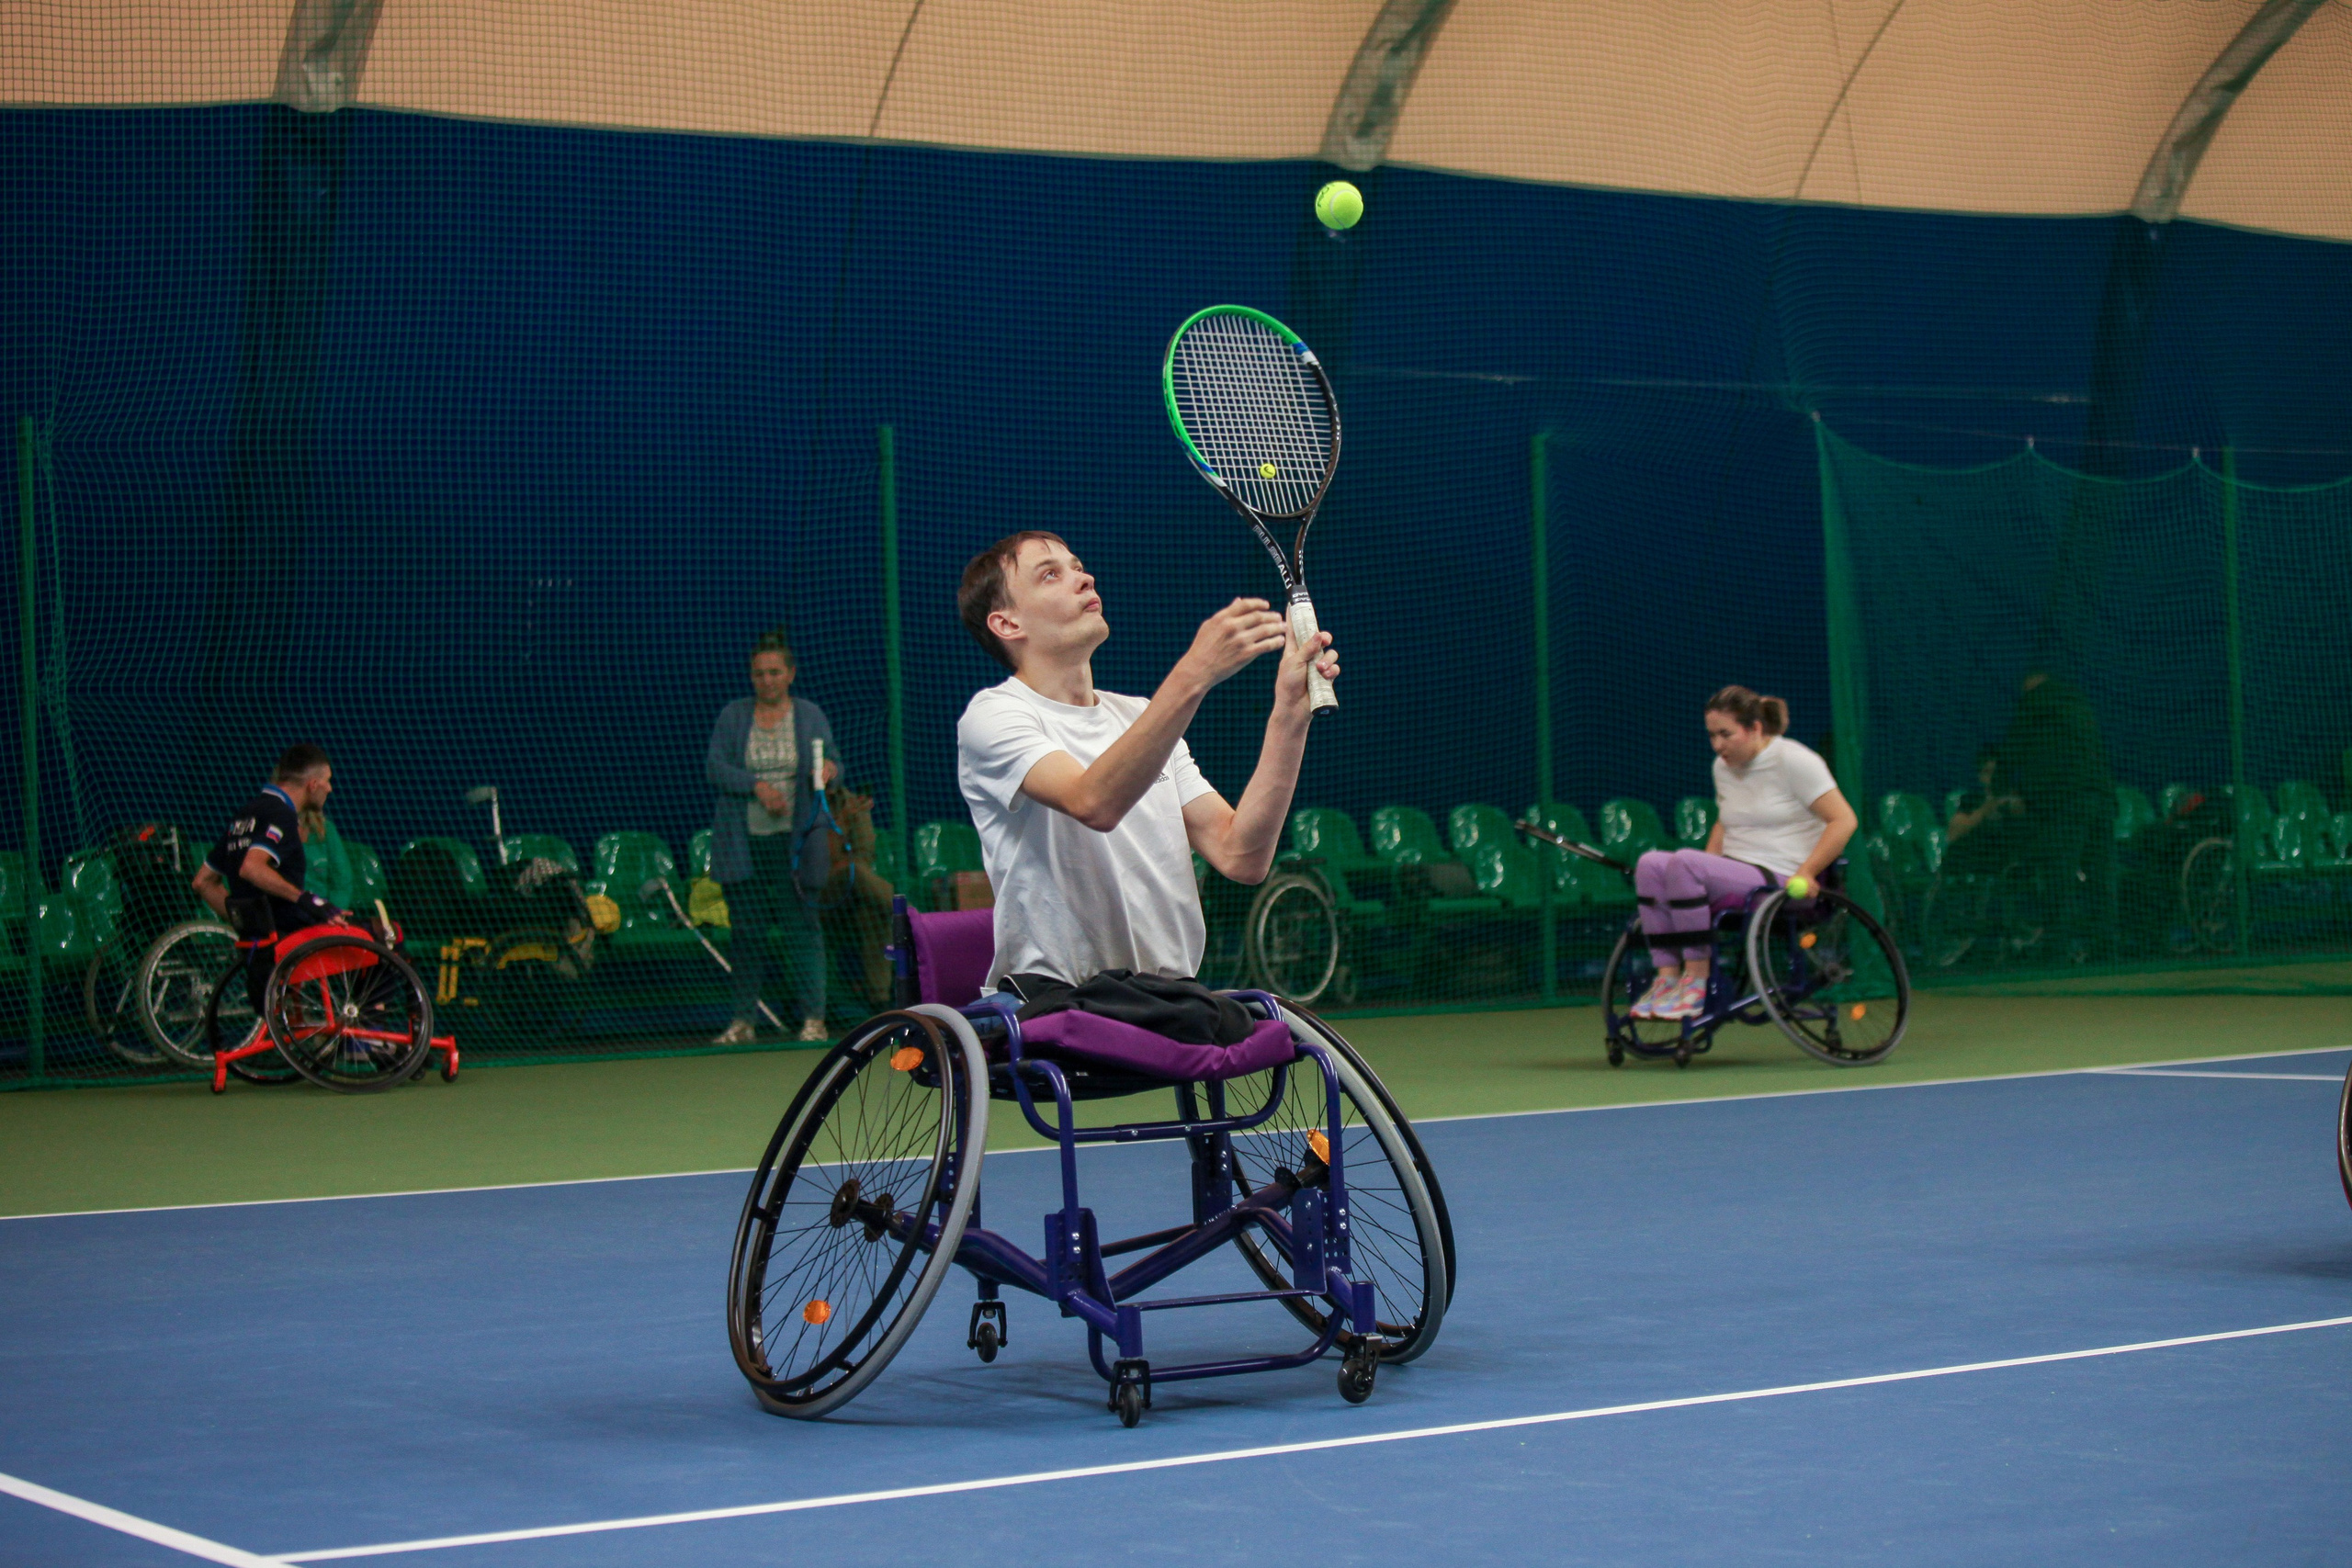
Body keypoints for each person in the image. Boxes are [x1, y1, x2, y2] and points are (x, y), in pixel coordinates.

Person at [954, 530, 1337, 1023]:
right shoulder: (994, 716)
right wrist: (1195, 672)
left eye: (1077, 566)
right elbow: (1092, 802)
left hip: (1169, 998)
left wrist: (1289, 716)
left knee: (1278, 1039)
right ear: (1007, 623)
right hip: (1057, 1002)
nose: (1084, 578)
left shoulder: (1140, 717)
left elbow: (1241, 855)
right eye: (1050, 574)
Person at [1630, 687, 1860, 1021]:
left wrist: (1808, 871)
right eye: (1712, 735)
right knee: (1650, 864)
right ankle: (1667, 979)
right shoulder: (1722, 767)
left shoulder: (1795, 760)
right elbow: (1725, 822)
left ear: (1754, 728)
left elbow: (1844, 820)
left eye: (1726, 734)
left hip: (1782, 878)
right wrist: (1705, 865)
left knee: (1685, 862)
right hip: (1737, 873)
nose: (1717, 745)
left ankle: (1696, 982)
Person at [703, 628, 839, 1044]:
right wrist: (756, 786)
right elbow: (715, 767)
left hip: (795, 846)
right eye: (759, 674)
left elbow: (833, 763)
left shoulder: (810, 715)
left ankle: (813, 1019)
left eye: (775, 672)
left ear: (791, 674)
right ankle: (743, 1022)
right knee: (746, 933)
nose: (767, 681)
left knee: (803, 929)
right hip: (744, 845)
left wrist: (830, 770)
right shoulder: (733, 716)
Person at [190, 744, 347, 1032]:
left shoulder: (245, 815)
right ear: (312, 784)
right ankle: (369, 1037)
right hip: (290, 939)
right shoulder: (281, 815)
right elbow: (252, 867)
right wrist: (305, 899)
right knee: (388, 935)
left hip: (259, 944)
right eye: (327, 780)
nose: (330, 788)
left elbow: (202, 882)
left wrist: (248, 922)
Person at [300, 802, 358, 910]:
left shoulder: (327, 830)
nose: (328, 792)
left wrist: (333, 912)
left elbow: (342, 881)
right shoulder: (275, 827)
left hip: (323, 912)